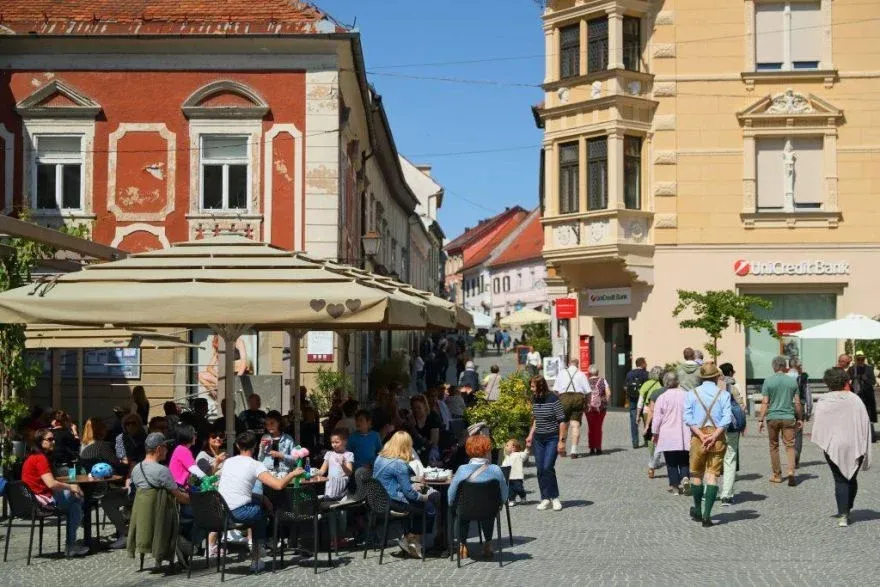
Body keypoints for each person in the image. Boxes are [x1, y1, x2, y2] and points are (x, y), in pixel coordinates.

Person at [218, 431, 303, 573]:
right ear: (255, 446)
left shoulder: (228, 462)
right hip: (239, 512)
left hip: (222, 512)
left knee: (259, 504)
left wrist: (262, 498)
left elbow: (236, 487)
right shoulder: (255, 465)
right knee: (261, 512)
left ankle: (258, 548)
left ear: (237, 445)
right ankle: (257, 555)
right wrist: (293, 474)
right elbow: (278, 485)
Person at [812, 367, 873, 526]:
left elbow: (820, 424)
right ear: (846, 381)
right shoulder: (855, 399)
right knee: (851, 477)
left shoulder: (824, 400)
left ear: (828, 383)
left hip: (833, 444)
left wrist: (826, 441)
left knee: (840, 479)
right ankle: (847, 507)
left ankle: (843, 514)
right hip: (855, 443)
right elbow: (865, 423)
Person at [21, 428, 89, 557]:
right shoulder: (40, 458)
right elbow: (51, 484)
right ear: (40, 442)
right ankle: (75, 538)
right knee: (77, 498)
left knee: (75, 506)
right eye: (50, 439)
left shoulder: (32, 457)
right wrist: (72, 487)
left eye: (54, 439)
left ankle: (73, 541)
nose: (54, 442)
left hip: (32, 500)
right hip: (41, 502)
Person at [684, 362, 732, 527]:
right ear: (716, 377)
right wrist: (714, 435)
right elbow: (727, 418)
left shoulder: (691, 394)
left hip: (698, 437)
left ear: (701, 377)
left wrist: (701, 435)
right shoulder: (723, 394)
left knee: (696, 474)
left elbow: (688, 418)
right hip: (717, 437)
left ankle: (698, 510)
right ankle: (707, 515)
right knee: (712, 475)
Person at [373, 431, 435, 558]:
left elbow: (390, 481)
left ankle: (411, 540)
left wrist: (412, 486)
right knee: (429, 507)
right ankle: (410, 538)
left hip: (379, 499)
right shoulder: (399, 464)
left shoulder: (380, 458)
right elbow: (409, 493)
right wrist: (424, 497)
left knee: (416, 505)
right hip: (393, 501)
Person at [448, 435, 508, 560]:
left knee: (460, 512)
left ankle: (462, 545)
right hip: (489, 511)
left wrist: (452, 505)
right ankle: (488, 544)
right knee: (489, 511)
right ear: (487, 451)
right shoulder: (496, 470)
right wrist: (499, 504)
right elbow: (504, 494)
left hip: (466, 510)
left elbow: (451, 494)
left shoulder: (462, 470)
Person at [757, 356, 803, 486]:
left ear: (774, 366)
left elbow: (765, 401)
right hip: (788, 417)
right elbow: (797, 402)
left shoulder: (768, 381)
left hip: (772, 417)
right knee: (790, 445)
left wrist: (760, 419)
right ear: (784, 366)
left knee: (774, 446)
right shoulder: (792, 381)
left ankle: (777, 475)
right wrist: (800, 418)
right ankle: (791, 471)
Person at [526, 376, 566, 511]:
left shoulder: (553, 399)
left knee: (548, 467)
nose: (531, 389)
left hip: (552, 438)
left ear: (540, 386)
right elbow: (536, 419)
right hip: (538, 439)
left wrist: (561, 441)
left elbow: (562, 421)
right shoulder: (534, 399)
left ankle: (554, 497)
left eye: (533, 386)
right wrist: (530, 435)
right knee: (540, 469)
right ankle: (545, 498)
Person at [652, 372, 691, 495]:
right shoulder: (686, 395)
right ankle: (685, 477)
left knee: (671, 461)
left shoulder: (662, 397)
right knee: (684, 459)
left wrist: (654, 433)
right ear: (677, 381)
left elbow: (657, 418)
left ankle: (675, 487)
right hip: (684, 431)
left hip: (668, 433)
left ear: (665, 383)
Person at [719, 363, 747, 505]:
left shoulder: (700, 390)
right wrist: (742, 424)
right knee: (729, 459)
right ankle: (726, 495)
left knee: (710, 460)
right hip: (730, 427)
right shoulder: (731, 387)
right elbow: (741, 407)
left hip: (709, 430)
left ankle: (707, 491)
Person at [553, 357, 590, 457]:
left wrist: (559, 400)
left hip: (564, 398)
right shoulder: (581, 374)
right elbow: (588, 392)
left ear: (569, 364)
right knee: (575, 425)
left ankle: (562, 448)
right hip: (578, 398)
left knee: (564, 425)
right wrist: (587, 404)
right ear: (578, 365)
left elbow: (555, 390)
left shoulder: (561, 373)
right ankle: (574, 450)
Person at [638, 366, 664, 478]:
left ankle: (652, 456)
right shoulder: (662, 385)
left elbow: (640, 401)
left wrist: (637, 415)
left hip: (647, 411)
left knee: (650, 435)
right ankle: (657, 458)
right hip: (661, 412)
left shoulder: (646, 384)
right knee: (660, 434)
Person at [847, 351, 878, 443]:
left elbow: (873, 382)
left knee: (868, 415)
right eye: (859, 359)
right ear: (856, 359)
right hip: (856, 396)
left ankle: (870, 436)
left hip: (868, 396)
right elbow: (847, 381)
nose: (861, 361)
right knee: (857, 416)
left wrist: (866, 379)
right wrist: (853, 378)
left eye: (862, 359)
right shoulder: (852, 369)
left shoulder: (869, 369)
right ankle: (857, 436)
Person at [787, 358, 812, 467]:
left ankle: (790, 456)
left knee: (787, 432)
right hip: (800, 406)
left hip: (787, 406)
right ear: (797, 366)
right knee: (798, 433)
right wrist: (809, 410)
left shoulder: (784, 377)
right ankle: (796, 456)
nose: (802, 367)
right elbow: (808, 394)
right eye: (800, 365)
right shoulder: (803, 378)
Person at [257, 410, 298, 475]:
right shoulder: (265, 437)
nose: (269, 426)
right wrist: (262, 447)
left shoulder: (288, 439)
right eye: (267, 424)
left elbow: (295, 460)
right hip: (268, 473)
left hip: (283, 473)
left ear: (279, 423)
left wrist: (281, 455)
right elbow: (260, 459)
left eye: (272, 423)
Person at [408, 395, 442, 465]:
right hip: (417, 447)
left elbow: (434, 442)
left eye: (419, 407)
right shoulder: (411, 419)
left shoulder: (432, 416)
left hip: (432, 448)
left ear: (425, 407)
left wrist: (414, 428)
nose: (416, 410)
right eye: (413, 408)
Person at [624, 357, 650, 449]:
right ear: (643, 364)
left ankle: (635, 443)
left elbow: (625, 387)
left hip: (633, 400)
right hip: (644, 400)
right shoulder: (646, 374)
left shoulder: (629, 373)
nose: (646, 364)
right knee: (646, 420)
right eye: (645, 363)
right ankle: (647, 440)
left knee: (634, 421)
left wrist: (628, 396)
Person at [585, 365, 611, 455]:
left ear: (589, 373)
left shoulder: (586, 381)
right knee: (598, 427)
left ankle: (592, 448)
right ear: (597, 372)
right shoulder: (603, 380)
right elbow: (608, 393)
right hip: (601, 407)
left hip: (589, 407)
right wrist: (605, 403)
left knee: (591, 427)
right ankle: (598, 448)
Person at [501, 439, 528, 505]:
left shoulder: (519, 454)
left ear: (513, 447)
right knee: (510, 490)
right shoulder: (507, 456)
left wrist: (527, 448)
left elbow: (525, 455)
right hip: (509, 477)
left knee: (519, 488)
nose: (505, 447)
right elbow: (504, 466)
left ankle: (523, 496)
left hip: (517, 476)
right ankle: (512, 500)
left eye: (507, 445)